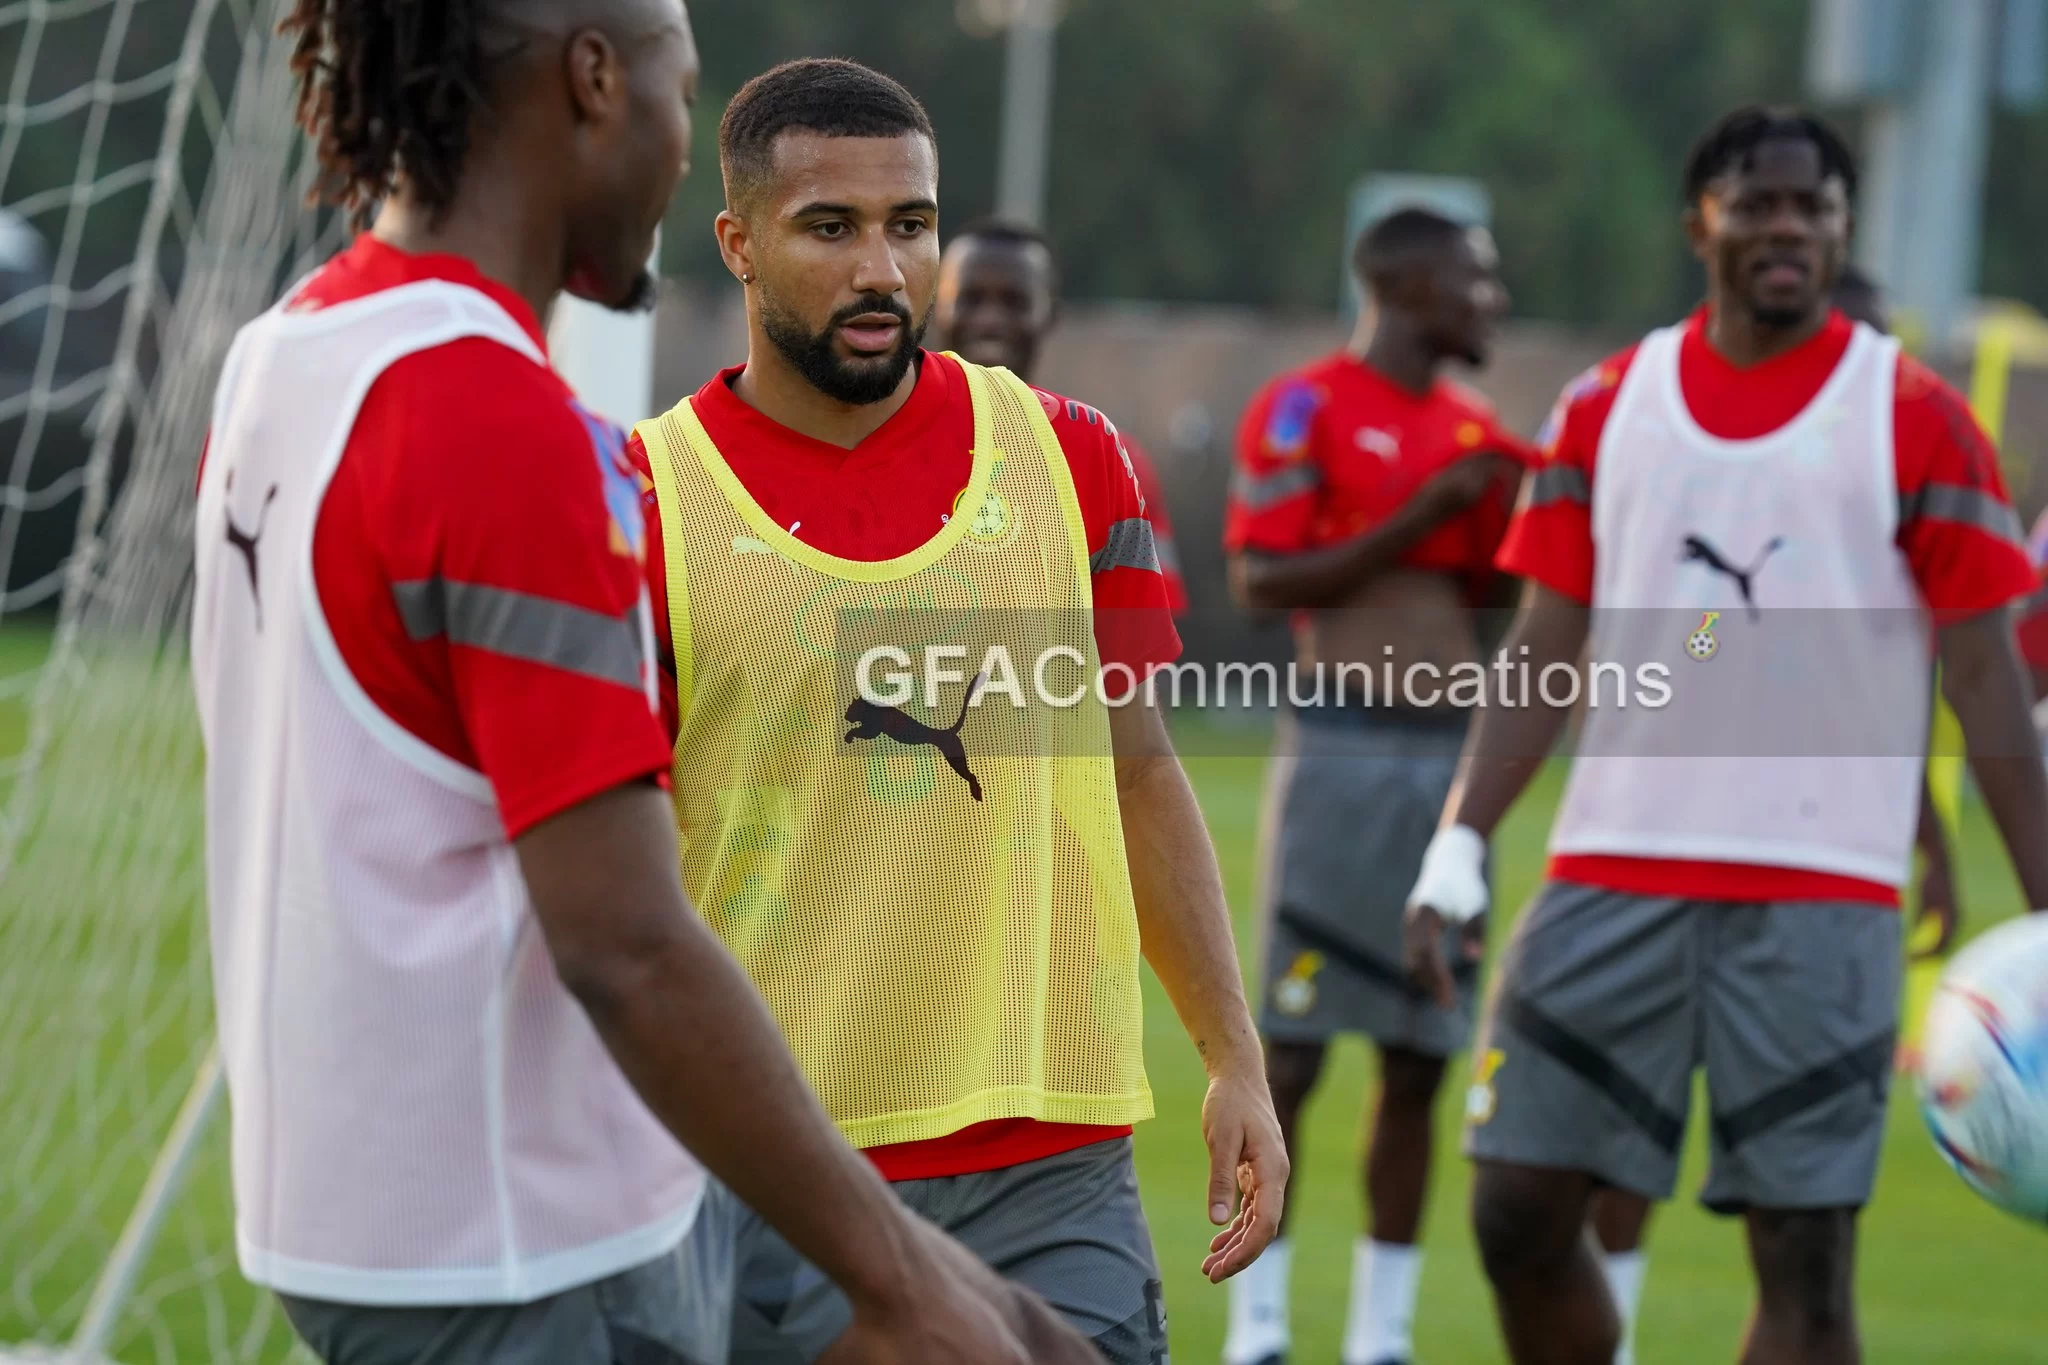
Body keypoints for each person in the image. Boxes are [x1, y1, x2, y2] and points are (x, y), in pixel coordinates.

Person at [192, 6, 1088, 1363]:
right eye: (682, 92)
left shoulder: (288, 349)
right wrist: (904, 1286)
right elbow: (626, 948)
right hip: (526, 1239)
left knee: (1025, 1330)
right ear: (596, 80)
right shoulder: (502, 425)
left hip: (372, 1215)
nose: (682, 150)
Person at [624, 58, 1287, 1364]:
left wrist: (1232, 1055)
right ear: (738, 244)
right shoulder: (644, 501)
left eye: (910, 225)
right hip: (772, 1170)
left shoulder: (1075, 460)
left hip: (1053, 1167)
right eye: (830, 228)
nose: (881, 269)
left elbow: (1139, 774)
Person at [1406, 106, 2048, 1365]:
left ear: (1841, 230)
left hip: (1819, 897)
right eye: (1756, 203)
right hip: (1607, 873)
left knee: (1802, 1262)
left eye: (1813, 208)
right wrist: (1458, 842)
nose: (1786, 228)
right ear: (1699, 223)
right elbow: (1542, 645)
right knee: (1514, 1210)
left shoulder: (1915, 416)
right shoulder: (1604, 405)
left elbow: (1984, 678)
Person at [1578, 259, 1958, 1365]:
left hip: (1817, 878)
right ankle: (1615, 1333)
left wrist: (1929, 843)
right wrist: (1711, 631)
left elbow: (1892, 711)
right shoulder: (1718, 485)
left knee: (1798, 1201)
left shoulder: (1881, 524)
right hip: (1681, 854)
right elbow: (1674, 658)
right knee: (1628, 1136)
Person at [1219, 207, 1534, 1365]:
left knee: (1418, 1059)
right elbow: (1259, 581)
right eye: (1474, 279)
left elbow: (1497, 604)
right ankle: (1256, 1326)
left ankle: (1378, 1340)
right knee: (1292, 1054)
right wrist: (1422, 514)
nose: (1492, 299)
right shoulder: (1302, 407)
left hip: (1448, 761)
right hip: (1341, 749)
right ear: (1406, 287)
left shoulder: (1477, 431)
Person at [932, 216, 1188, 612]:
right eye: (971, 298)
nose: (990, 320)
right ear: (935, 306)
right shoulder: (882, 441)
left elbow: (1147, 627)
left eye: (1014, 301)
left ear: (1050, 313)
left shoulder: (1109, 459)